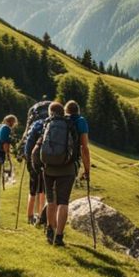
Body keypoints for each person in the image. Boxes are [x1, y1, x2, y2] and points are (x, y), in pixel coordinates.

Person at [35, 101, 91, 247]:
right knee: (63, 202)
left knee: (51, 200)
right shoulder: (79, 122)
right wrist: (87, 170)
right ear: (78, 110)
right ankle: (59, 236)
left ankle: (49, 229)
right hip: (67, 168)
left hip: (48, 167)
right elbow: (84, 148)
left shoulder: (52, 122)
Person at [21, 109, 48, 226]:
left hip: (32, 161)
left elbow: (27, 145)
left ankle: (30, 216)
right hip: (46, 162)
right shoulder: (49, 125)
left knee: (32, 190)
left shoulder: (35, 125)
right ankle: (41, 216)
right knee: (43, 190)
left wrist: (28, 159)